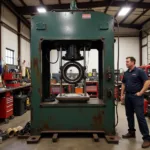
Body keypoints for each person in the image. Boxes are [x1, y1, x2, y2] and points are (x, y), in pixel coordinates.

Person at [121, 57, 150, 148]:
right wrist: (122, 94)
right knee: (129, 115)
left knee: (140, 116)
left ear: (133, 62)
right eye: (126, 61)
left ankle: (147, 138)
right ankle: (131, 132)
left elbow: (147, 82)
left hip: (137, 97)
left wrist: (141, 92)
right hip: (128, 96)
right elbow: (124, 84)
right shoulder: (126, 73)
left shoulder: (139, 71)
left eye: (127, 61)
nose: (126, 63)